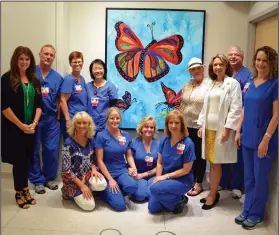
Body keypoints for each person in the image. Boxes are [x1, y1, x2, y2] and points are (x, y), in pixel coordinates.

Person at [234, 46, 278, 230]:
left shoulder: (275, 84)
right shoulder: (251, 82)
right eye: (258, 60)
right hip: (248, 137)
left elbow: (276, 115)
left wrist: (266, 139)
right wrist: (238, 130)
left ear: (271, 63)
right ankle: (247, 208)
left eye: (264, 61)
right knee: (249, 177)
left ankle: (256, 214)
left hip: (263, 140)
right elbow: (245, 108)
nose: (260, 64)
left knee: (260, 178)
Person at [197, 53, 242, 210]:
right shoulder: (210, 84)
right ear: (212, 67)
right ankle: (213, 192)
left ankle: (213, 194)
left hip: (220, 129)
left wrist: (227, 128)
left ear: (226, 66)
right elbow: (205, 107)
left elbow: (236, 108)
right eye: (215, 65)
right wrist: (201, 125)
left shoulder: (232, 84)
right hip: (208, 128)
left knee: (216, 162)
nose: (217, 67)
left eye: (220, 64)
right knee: (210, 160)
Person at [1, 46, 42, 209]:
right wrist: (21, 126)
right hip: (14, 129)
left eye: (27, 59)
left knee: (26, 160)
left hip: (31, 128)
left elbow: (39, 105)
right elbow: (4, 107)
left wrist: (34, 123)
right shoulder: (7, 78)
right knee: (19, 161)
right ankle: (19, 191)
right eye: (21, 59)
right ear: (15, 60)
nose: (24, 62)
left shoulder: (35, 80)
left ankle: (25, 189)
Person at [28, 44, 63, 194]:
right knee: (33, 149)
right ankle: (37, 181)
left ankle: (49, 178)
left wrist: (59, 116)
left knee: (51, 149)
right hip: (33, 118)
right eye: (46, 54)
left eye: (51, 55)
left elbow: (60, 100)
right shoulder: (30, 73)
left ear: (53, 58)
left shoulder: (57, 78)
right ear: (40, 54)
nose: (48, 57)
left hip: (51, 119)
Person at [219, 46, 252, 199]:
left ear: (242, 58)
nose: (233, 57)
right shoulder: (223, 74)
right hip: (223, 120)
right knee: (224, 149)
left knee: (238, 153)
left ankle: (237, 186)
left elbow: (245, 101)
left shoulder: (248, 76)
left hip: (240, 120)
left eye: (236, 54)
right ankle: (223, 181)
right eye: (230, 54)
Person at [148, 110, 195, 214]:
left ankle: (178, 202)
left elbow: (186, 170)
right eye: (170, 122)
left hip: (182, 180)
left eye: (177, 123)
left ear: (182, 124)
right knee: (153, 208)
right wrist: (158, 178)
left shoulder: (188, 143)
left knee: (154, 190)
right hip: (166, 178)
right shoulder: (164, 140)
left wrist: (164, 177)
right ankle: (177, 199)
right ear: (167, 124)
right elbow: (159, 163)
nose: (173, 125)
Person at [61, 111, 107, 211]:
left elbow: (93, 159)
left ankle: (88, 189)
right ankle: (67, 191)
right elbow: (66, 171)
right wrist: (82, 186)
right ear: (74, 124)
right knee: (90, 206)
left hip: (86, 175)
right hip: (72, 180)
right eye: (79, 123)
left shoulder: (91, 140)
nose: (82, 126)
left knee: (102, 184)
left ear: (89, 124)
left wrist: (94, 169)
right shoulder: (68, 143)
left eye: (85, 123)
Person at [95, 107, 138, 211]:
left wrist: (134, 169)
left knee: (133, 186)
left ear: (120, 119)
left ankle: (116, 191)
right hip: (106, 173)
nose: (115, 121)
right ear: (107, 119)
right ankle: (102, 193)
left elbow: (129, 156)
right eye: (112, 118)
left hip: (121, 171)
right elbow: (99, 160)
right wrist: (110, 180)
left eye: (117, 118)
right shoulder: (101, 136)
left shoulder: (126, 135)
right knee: (120, 206)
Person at [179, 57, 210, 197]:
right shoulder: (187, 84)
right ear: (190, 71)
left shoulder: (210, 85)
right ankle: (190, 179)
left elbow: (210, 107)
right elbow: (182, 104)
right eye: (193, 69)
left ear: (202, 68)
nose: (196, 71)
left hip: (200, 126)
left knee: (199, 155)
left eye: (198, 68)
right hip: (186, 126)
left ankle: (199, 183)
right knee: (188, 153)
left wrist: (204, 124)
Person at [130, 116, 159, 202]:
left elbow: (160, 165)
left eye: (152, 127)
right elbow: (129, 160)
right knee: (140, 196)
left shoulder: (159, 144)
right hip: (137, 176)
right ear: (141, 128)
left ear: (154, 130)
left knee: (151, 196)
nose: (149, 129)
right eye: (146, 127)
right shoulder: (133, 142)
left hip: (153, 175)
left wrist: (143, 175)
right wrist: (132, 170)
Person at [60, 51, 88, 140]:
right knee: (71, 147)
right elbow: (62, 100)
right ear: (70, 64)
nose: (77, 64)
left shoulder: (82, 79)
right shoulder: (69, 79)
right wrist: (68, 120)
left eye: (79, 61)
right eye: (74, 62)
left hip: (81, 120)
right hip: (72, 119)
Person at [87, 59, 118, 135]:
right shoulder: (87, 86)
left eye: (100, 68)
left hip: (104, 124)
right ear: (91, 71)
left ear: (104, 70)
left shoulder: (110, 86)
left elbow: (114, 107)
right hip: (89, 124)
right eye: (95, 68)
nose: (98, 71)